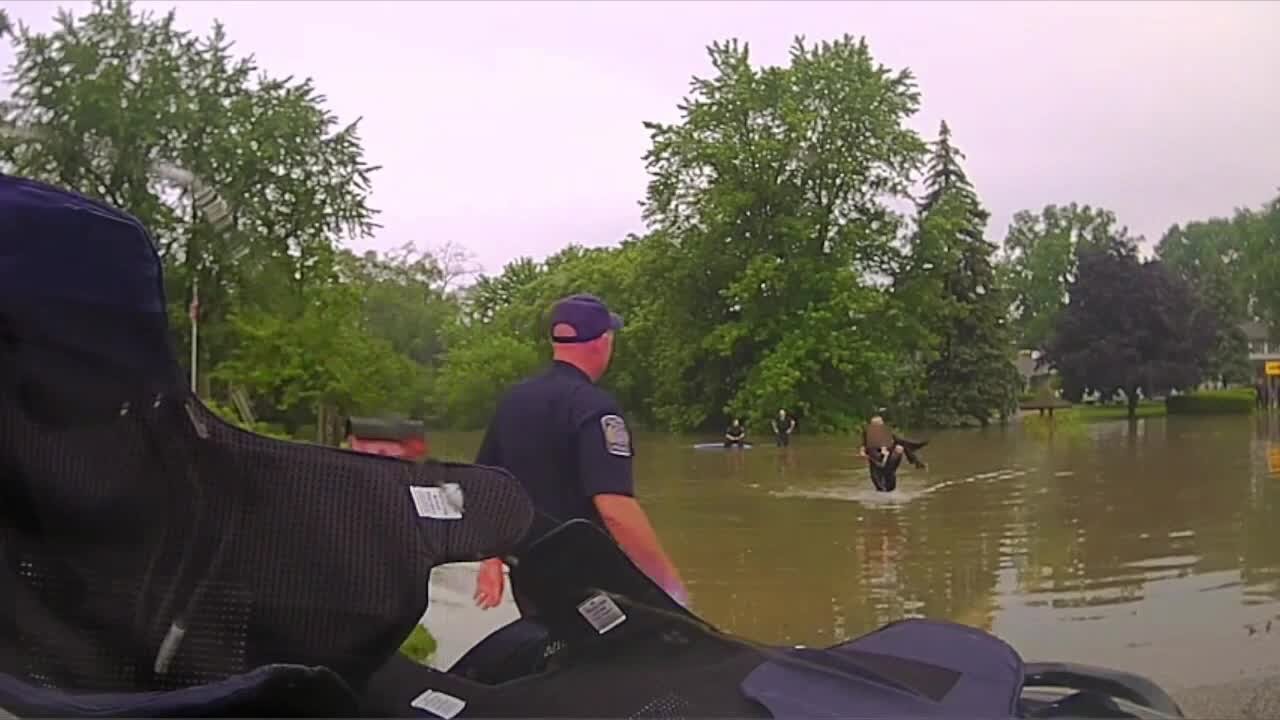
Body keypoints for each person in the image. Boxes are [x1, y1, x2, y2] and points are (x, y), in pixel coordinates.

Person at [471, 293, 690, 614]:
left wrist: (490, 560)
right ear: (602, 342)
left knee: (555, 654)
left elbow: (485, 488)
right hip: (587, 578)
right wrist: (670, 586)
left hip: (529, 574)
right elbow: (615, 509)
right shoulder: (595, 408)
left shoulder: (514, 401)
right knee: (614, 658)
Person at [859, 414, 928, 493]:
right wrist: (862, 452)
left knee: (890, 486)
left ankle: (915, 462)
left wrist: (915, 458)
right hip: (875, 462)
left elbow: (902, 442)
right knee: (879, 487)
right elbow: (863, 445)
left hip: (889, 462)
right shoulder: (868, 434)